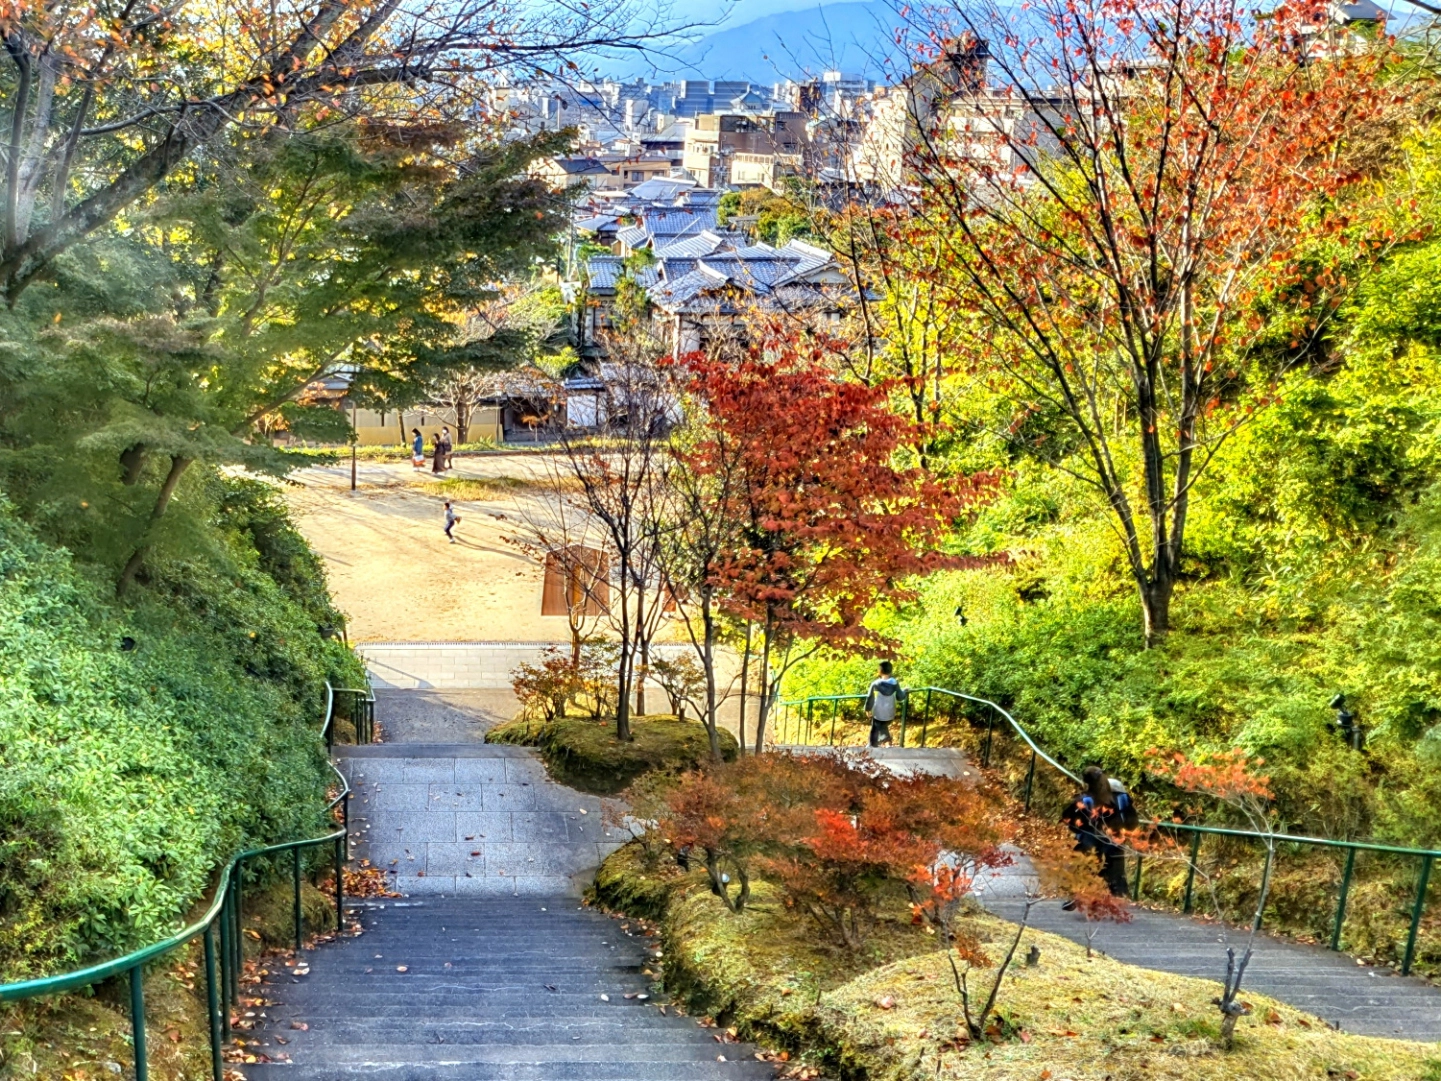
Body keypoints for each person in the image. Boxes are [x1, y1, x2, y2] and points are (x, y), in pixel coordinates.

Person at [1061, 765, 1139, 899]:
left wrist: (1080, 829)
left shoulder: (1084, 800)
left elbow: (1069, 820)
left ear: (1087, 783)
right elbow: (1132, 823)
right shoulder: (1122, 798)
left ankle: (1080, 896)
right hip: (1114, 844)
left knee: (1085, 873)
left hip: (1089, 844)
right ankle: (1120, 903)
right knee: (1117, 879)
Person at [864, 661, 905, 748]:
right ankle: (884, 742)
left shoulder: (875, 684)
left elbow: (869, 697)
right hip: (890, 712)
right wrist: (905, 691)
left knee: (875, 727)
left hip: (878, 712)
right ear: (890, 671)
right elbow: (900, 697)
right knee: (882, 725)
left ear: (879, 672)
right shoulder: (895, 683)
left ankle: (876, 742)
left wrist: (867, 709)